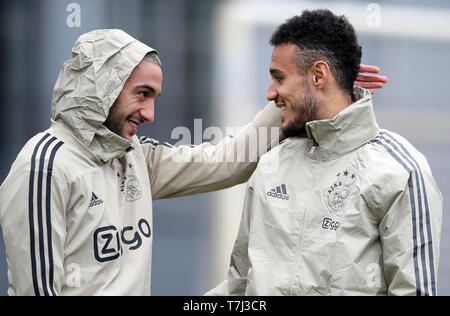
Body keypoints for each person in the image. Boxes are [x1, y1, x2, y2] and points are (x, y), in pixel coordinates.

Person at [0, 29, 386, 296]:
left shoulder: (133, 157)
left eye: (155, 97)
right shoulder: (45, 166)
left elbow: (228, 162)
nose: (149, 113)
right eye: (142, 94)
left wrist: (308, 92)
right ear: (104, 87)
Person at [207, 9, 442, 296]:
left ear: (319, 75)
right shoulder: (270, 165)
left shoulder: (400, 170)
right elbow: (239, 285)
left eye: (279, 78)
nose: (270, 93)